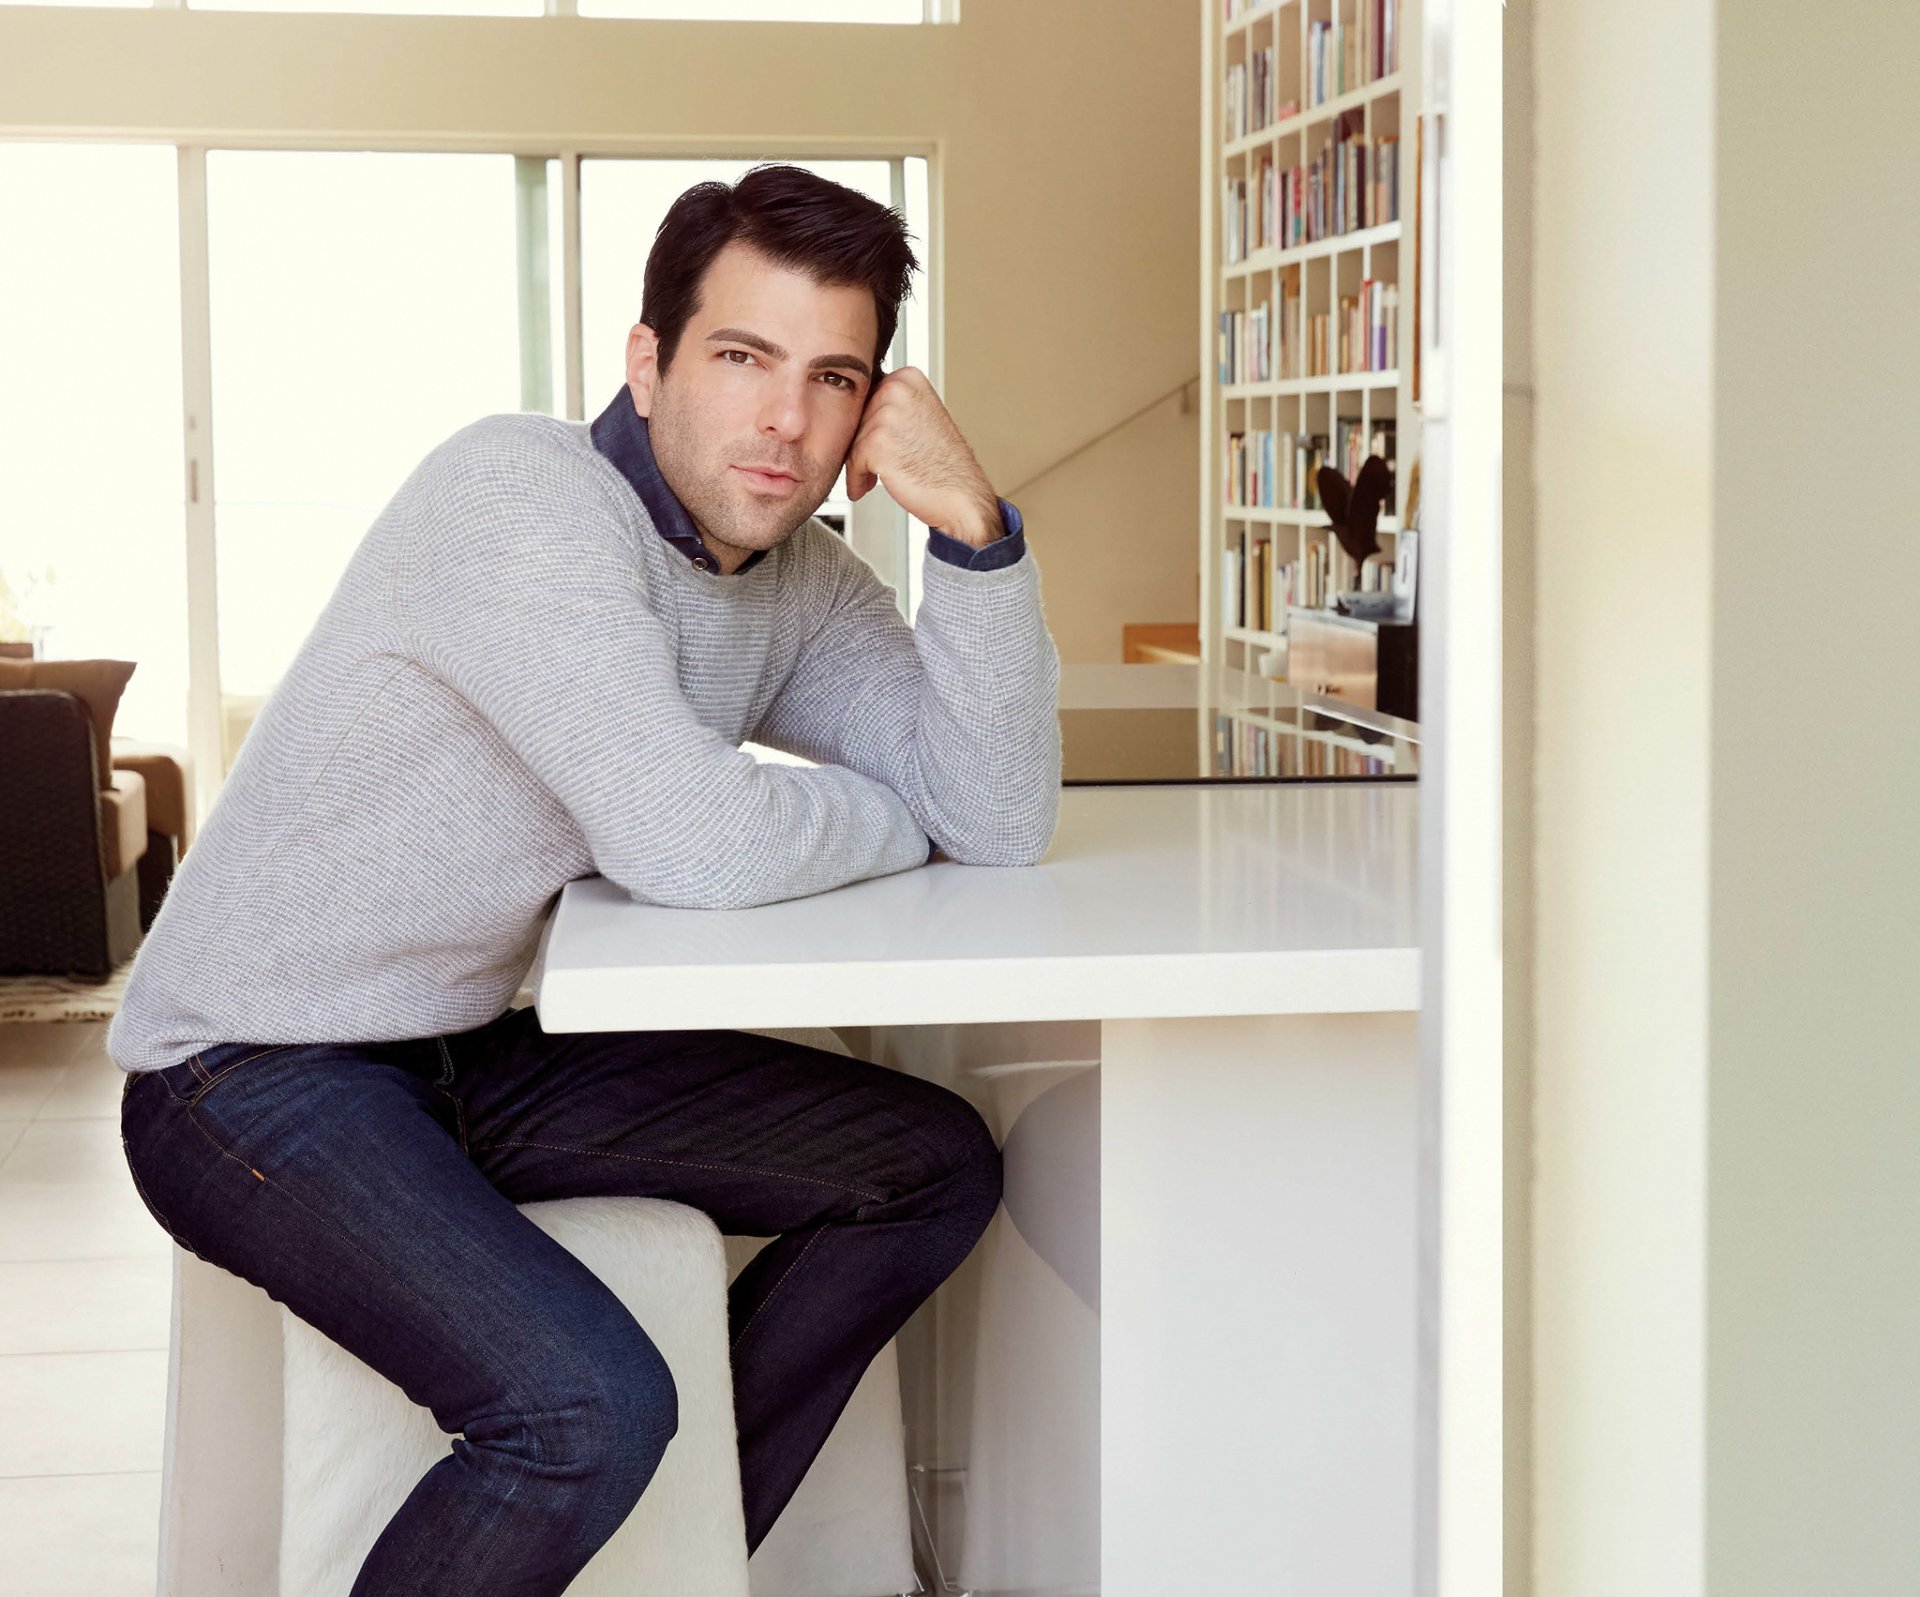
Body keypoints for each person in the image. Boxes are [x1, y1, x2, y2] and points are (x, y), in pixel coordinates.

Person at [111, 162, 1061, 1595]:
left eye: (833, 377)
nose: (786, 420)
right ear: (648, 357)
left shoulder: (788, 575)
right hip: (247, 1068)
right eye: (743, 357)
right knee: (586, 1406)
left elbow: (990, 815)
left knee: (926, 1168)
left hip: (465, 1049)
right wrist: (891, 815)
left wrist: (975, 535)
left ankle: (656, 1558)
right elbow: (689, 841)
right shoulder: (520, 494)